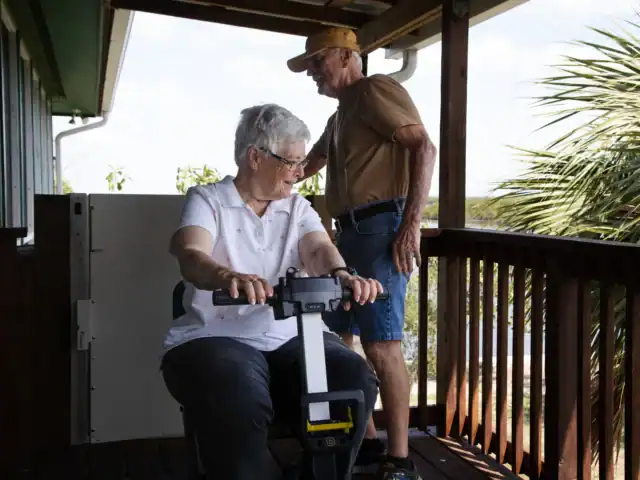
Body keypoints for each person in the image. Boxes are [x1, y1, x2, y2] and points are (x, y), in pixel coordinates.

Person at [161, 103, 382, 480]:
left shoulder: (297, 208)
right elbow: (191, 253)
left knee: (355, 379)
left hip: (293, 337)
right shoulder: (209, 199)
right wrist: (225, 274)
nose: (300, 172)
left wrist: (343, 274)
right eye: (292, 162)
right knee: (238, 395)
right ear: (255, 157)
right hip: (218, 334)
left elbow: (317, 249)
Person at [286, 27, 438, 480]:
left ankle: (400, 457)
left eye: (318, 61)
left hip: (382, 229)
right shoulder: (339, 117)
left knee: (382, 343)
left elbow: (423, 146)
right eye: (310, 64)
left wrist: (410, 225)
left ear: (347, 57)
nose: (312, 72)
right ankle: (368, 440)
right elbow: (304, 167)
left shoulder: (374, 90)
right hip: (348, 237)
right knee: (343, 338)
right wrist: (258, 175)